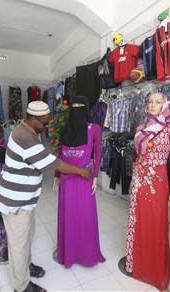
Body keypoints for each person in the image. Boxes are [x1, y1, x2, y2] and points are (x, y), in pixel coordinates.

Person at [0, 101, 91, 292]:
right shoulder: (24, 136)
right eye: (44, 124)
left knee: (26, 238)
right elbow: (53, 163)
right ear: (33, 119)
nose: (46, 127)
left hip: (25, 199)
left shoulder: (30, 130)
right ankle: (21, 286)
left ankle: (26, 267)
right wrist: (80, 171)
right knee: (18, 244)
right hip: (15, 201)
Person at [120, 91, 170, 291]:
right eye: (150, 102)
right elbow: (137, 155)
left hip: (158, 180)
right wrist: (136, 171)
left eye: (158, 102)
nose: (153, 105)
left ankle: (156, 274)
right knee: (138, 222)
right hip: (139, 181)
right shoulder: (143, 126)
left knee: (156, 224)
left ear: (165, 105)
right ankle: (136, 265)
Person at [54, 96, 105, 268]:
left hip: (84, 180)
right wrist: (56, 175)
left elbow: (97, 153)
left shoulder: (94, 129)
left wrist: (96, 176)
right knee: (69, 217)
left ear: (87, 108)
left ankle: (86, 253)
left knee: (85, 217)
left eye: (80, 105)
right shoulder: (66, 129)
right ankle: (69, 253)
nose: (76, 108)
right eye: (73, 105)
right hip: (67, 182)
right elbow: (59, 155)